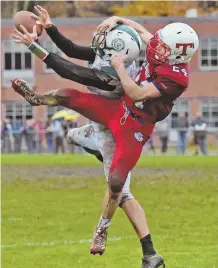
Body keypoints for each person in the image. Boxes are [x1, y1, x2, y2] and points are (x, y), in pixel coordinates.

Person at [12, 11, 199, 268]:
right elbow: (74, 52)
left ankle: (111, 232)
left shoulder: (123, 72)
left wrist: (120, 68)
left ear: (122, 50)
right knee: (71, 113)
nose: (100, 43)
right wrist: (119, 19)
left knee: (118, 188)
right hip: (111, 114)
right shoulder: (137, 50)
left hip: (131, 125)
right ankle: (47, 107)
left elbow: (78, 72)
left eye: (107, 41)